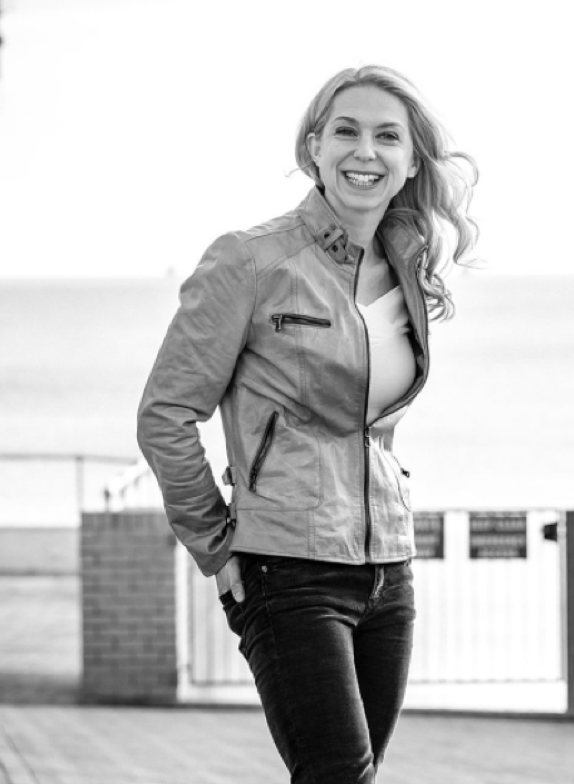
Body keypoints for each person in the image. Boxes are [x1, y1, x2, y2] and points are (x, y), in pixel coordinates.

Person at [137, 64, 477, 783]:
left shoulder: (406, 267)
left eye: (388, 136)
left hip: (388, 570)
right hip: (286, 566)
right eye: (346, 131)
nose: (366, 151)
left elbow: (370, 424)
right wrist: (216, 544)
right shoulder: (251, 260)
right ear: (314, 148)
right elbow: (166, 414)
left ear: (413, 161)